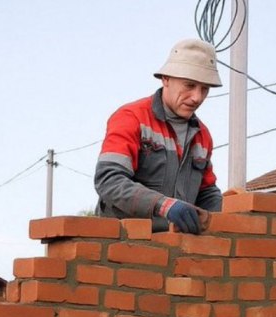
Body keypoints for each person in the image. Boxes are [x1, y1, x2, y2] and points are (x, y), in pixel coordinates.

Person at [94, 38, 223, 234]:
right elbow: (109, 180)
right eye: (189, 85)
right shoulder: (132, 117)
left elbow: (207, 193)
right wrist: (164, 205)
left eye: (204, 88)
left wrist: (231, 219)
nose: (197, 97)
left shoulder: (202, 136)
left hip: (173, 245)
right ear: (166, 79)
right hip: (122, 241)